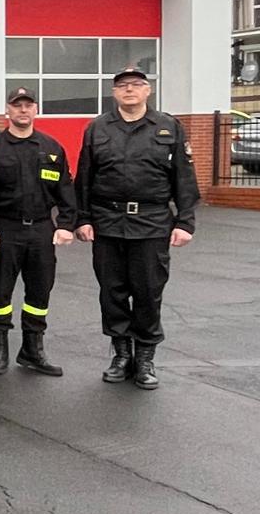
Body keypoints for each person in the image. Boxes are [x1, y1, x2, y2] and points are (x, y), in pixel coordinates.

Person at [75, 67, 198, 391]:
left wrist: (185, 221)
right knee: (112, 292)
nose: (129, 89)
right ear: (114, 93)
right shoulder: (98, 128)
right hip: (108, 223)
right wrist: (82, 219)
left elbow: (184, 178)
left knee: (147, 292)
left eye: (136, 84)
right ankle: (121, 355)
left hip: (152, 223)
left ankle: (145, 358)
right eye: (122, 85)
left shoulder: (168, 127)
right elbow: (85, 178)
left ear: (147, 90)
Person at [0, 87, 76, 377]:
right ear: (7, 110)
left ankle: (32, 350)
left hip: (41, 229)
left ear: (36, 109)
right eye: (17, 105)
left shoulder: (51, 147)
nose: (23, 110)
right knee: (0, 291)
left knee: (40, 291)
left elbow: (65, 190)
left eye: (28, 105)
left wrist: (66, 225)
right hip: (5, 229)